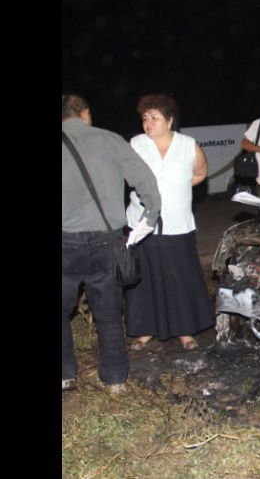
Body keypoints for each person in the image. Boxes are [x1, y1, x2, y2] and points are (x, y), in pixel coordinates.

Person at [62, 93, 161, 393]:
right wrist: (145, 224)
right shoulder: (111, 140)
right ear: (86, 114)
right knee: (107, 314)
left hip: (65, 245)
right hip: (108, 243)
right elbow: (147, 185)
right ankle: (115, 379)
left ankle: (65, 374)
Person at [125, 94, 213, 350]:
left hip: (178, 222)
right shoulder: (135, 145)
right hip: (142, 222)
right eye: (144, 118)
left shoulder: (188, 145)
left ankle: (185, 331)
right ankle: (144, 330)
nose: (148, 123)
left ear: (170, 120)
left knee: (180, 277)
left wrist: (178, 190)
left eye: (155, 118)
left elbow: (201, 172)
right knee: (145, 278)